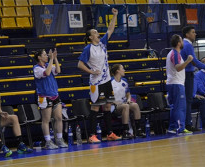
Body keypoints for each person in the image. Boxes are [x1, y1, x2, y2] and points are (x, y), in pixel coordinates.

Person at [78, 8, 121, 143]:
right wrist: (91, 71)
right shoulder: (88, 48)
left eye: (97, 32)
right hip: (96, 82)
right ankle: (91, 135)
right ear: (90, 37)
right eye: (95, 33)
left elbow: (110, 29)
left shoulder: (102, 43)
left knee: (107, 106)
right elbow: (80, 64)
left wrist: (115, 16)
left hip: (107, 80)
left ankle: (109, 133)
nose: (98, 33)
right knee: (95, 107)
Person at [180, 26, 205, 132]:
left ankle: (187, 123)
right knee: (188, 100)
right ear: (187, 34)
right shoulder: (187, 45)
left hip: (186, 74)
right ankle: (187, 124)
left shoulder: (184, 44)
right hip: (187, 75)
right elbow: (194, 61)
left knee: (188, 100)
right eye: (193, 32)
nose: (195, 34)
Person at [33, 48, 68, 149]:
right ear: (39, 57)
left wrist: (55, 58)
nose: (46, 56)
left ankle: (60, 139)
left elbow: (58, 70)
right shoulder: (37, 68)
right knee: (46, 120)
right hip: (44, 96)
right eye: (44, 55)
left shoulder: (48, 64)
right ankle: (48, 141)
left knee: (59, 118)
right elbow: (47, 73)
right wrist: (51, 59)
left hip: (55, 95)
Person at [166, 34, 194, 135]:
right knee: (180, 107)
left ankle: (173, 127)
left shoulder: (171, 53)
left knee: (174, 107)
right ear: (178, 43)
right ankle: (180, 128)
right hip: (176, 84)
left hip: (172, 83)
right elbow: (178, 67)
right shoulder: (175, 54)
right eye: (181, 40)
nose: (182, 42)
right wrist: (188, 61)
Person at [110, 64, 146, 139]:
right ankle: (125, 131)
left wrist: (129, 100)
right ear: (118, 71)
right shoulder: (110, 81)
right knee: (125, 106)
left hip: (124, 103)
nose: (124, 70)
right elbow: (107, 96)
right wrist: (114, 102)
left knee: (135, 105)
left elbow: (128, 94)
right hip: (114, 106)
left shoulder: (125, 81)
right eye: (122, 69)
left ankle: (138, 130)